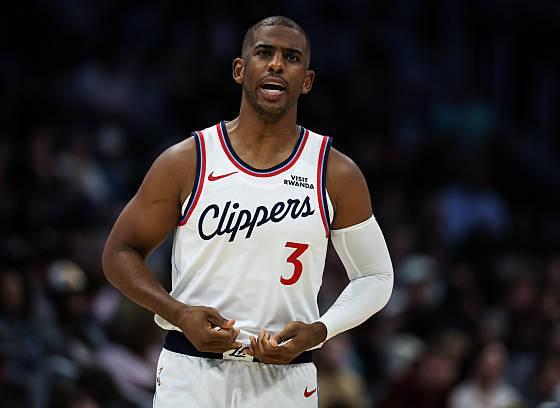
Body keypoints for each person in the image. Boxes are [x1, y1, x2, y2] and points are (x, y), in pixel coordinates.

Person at [102, 15, 393, 407]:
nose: (276, 64)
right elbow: (118, 253)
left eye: (291, 57)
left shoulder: (335, 172)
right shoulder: (188, 160)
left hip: (285, 377)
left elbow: (376, 276)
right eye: (264, 53)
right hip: (191, 370)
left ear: (307, 81)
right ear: (240, 70)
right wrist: (179, 313)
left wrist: (321, 330)